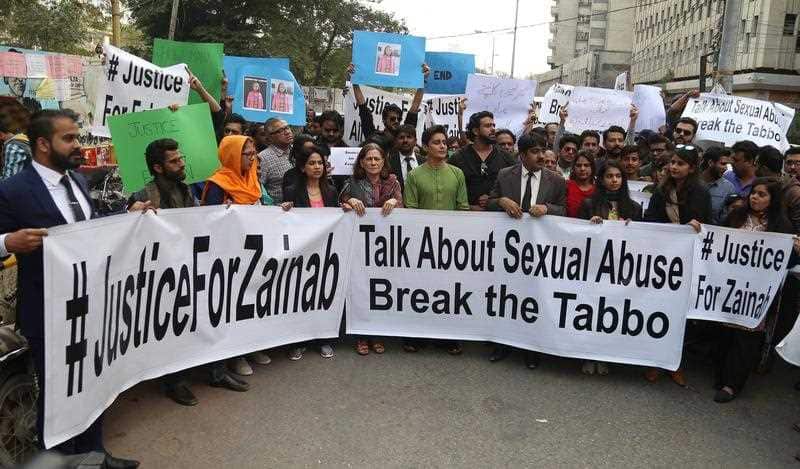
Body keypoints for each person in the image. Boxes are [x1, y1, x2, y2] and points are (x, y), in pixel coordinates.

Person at [0, 110, 140, 467]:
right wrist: (8, 242)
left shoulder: (77, 180)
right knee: (59, 393)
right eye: (70, 138)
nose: (79, 145)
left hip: (91, 302)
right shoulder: (13, 191)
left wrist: (130, 215)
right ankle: (63, 461)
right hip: (47, 311)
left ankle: (95, 455)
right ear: (44, 144)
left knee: (94, 380)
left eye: (77, 137)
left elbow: (88, 231)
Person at [708, 177, 797, 403]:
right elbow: (718, 241)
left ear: (773, 199)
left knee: (746, 337)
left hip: (756, 291)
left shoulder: (782, 226)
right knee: (725, 332)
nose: (754, 197)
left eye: (761, 194)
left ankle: (732, 384)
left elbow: (784, 262)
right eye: (753, 193)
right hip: (728, 285)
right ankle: (721, 375)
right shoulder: (736, 216)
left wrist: (795, 250)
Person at [486, 133, 566, 368]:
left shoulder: (556, 180)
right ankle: (503, 344)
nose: (541, 156)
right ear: (522, 155)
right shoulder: (504, 175)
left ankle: (532, 348)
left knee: (533, 298)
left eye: (543, 150)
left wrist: (547, 208)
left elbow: (563, 211)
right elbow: (489, 201)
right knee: (507, 296)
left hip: (538, 253)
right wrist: (501, 201)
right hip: (508, 250)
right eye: (535, 152)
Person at [202, 135, 272, 376]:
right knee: (232, 306)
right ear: (231, 155)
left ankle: (253, 346)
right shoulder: (217, 184)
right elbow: (209, 221)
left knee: (253, 302)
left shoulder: (253, 180)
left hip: (254, 253)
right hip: (229, 257)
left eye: (254, 154)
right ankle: (234, 355)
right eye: (247, 154)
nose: (252, 158)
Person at [644, 144, 711, 386]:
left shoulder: (701, 192)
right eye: (672, 162)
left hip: (688, 261)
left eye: (680, 163)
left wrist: (697, 226)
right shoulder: (661, 190)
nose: (674, 167)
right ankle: (654, 361)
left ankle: (674, 363)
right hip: (662, 258)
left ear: (691, 168)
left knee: (679, 314)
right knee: (658, 309)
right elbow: (650, 219)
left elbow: (707, 224)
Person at [404, 125, 469, 354]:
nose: (443, 146)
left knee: (448, 289)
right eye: (436, 142)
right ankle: (418, 335)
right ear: (426, 146)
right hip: (422, 243)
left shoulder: (457, 173)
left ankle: (447, 336)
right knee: (422, 288)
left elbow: (462, 207)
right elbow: (410, 209)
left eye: (444, 142)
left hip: (451, 243)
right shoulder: (414, 175)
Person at [577, 159, 643, 376]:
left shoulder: (633, 207)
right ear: (601, 180)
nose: (614, 180)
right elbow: (573, 236)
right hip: (593, 267)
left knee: (610, 312)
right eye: (609, 176)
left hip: (619, 269)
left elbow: (643, 241)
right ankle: (587, 354)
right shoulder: (589, 204)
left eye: (618, 176)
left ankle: (604, 355)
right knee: (590, 311)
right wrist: (590, 227)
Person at [339, 143, 403, 355]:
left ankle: (377, 333)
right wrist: (349, 202)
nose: (373, 163)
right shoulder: (352, 183)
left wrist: (394, 201)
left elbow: (403, 208)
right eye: (369, 159)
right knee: (360, 289)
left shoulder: (393, 182)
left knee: (382, 289)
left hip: (385, 247)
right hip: (359, 246)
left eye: (377, 159)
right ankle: (361, 335)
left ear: (383, 161)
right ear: (362, 162)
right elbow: (340, 206)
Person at [281, 145, 340, 359]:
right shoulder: (292, 191)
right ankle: (298, 340)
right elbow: (283, 221)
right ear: (302, 167)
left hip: (325, 252)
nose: (317, 167)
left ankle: (323, 339)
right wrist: (284, 210)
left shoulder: (331, 190)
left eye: (320, 163)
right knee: (300, 296)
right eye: (312, 163)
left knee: (322, 294)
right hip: (302, 254)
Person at [347, 63, 429, 146]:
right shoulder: (373, 136)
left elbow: (415, 107)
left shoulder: (404, 138)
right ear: (384, 120)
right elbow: (363, 108)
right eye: (392, 119)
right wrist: (355, 80)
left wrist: (422, 80)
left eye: (399, 119)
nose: (396, 121)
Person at [449, 111, 517, 211]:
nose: (493, 129)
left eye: (493, 125)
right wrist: (469, 207)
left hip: (498, 219)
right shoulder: (458, 158)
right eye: (488, 126)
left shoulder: (506, 157)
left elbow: (515, 188)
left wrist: (495, 200)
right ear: (476, 131)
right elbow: (449, 191)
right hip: (466, 218)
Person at [754, 145, 800, 233]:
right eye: (789, 162)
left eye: (798, 163)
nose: (793, 167)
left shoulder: (794, 193)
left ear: (763, 169)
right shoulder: (757, 187)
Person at [259, 118, 295, 203]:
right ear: (270, 137)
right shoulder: (263, 158)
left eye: (287, 127)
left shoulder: (298, 151)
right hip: (277, 211)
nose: (287, 132)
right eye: (280, 131)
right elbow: (259, 188)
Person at [699, 147, 737, 225]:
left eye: (727, 164)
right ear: (710, 163)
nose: (726, 168)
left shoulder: (729, 188)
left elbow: (726, 220)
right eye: (723, 164)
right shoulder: (692, 182)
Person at [387, 124, 425, 191]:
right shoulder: (389, 163)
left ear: (415, 141)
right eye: (401, 137)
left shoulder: (424, 162)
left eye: (409, 137)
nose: (405, 140)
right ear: (395, 141)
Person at [566, 150, 596, 218]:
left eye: (586, 165)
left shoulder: (598, 189)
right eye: (578, 165)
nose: (582, 169)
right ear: (573, 167)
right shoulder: (566, 186)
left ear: (592, 167)